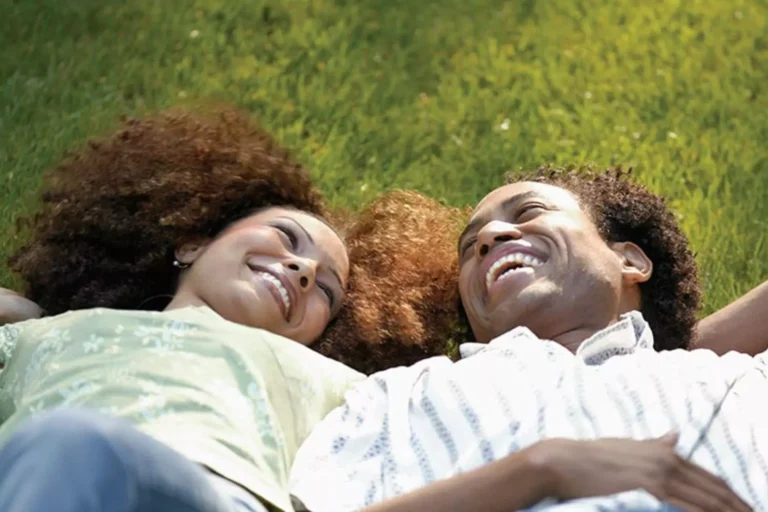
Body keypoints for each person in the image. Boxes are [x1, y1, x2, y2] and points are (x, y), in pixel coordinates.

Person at [289, 167, 761, 511]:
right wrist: (538, 469)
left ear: (630, 262)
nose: (489, 236)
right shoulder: (402, 396)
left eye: (531, 210)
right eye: (470, 248)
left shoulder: (735, 379)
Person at [0, 109, 364, 512]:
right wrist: (25, 311)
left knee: (72, 441)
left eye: (327, 292)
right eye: (286, 236)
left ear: (316, 337)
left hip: (207, 495)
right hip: (41, 480)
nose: (304, 271)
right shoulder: (40, 337)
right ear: (192, 244)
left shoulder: (322, 378)